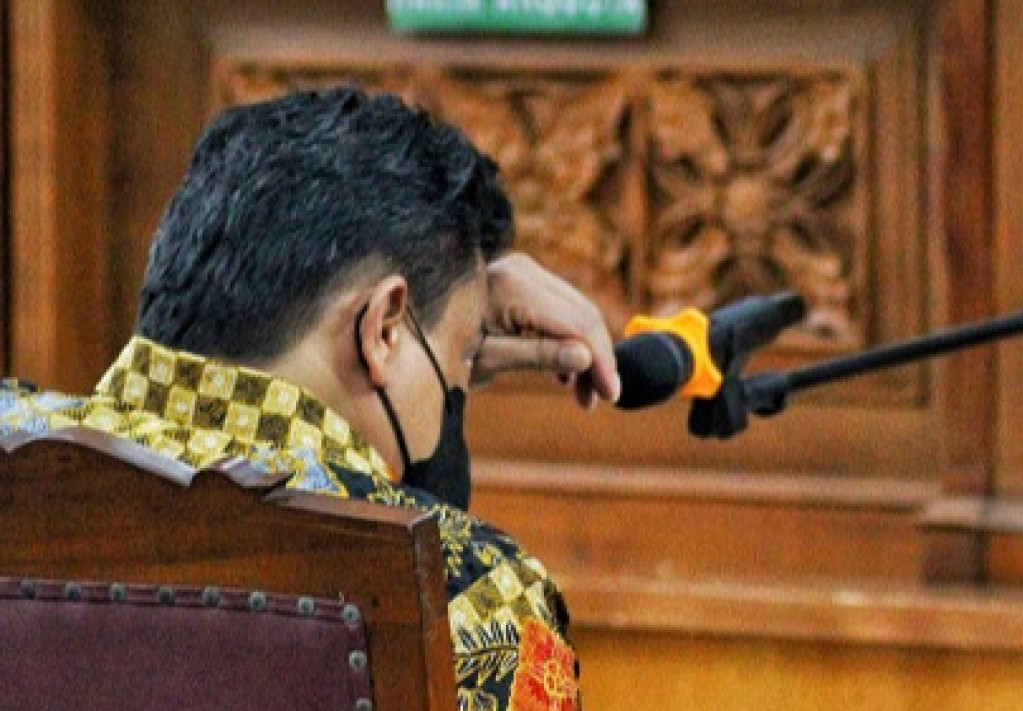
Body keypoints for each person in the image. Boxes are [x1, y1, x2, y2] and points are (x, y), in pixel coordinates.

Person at [0, 87, 621, 711]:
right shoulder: (477, 597)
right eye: (463, 358)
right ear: (383, 328)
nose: (456, 395)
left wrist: (449, 331)